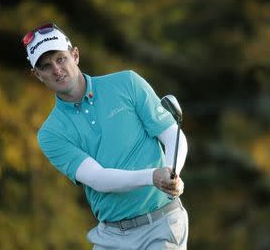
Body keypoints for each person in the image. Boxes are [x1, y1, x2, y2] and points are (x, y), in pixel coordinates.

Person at [22, 23, 189, 249]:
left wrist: (171, 173)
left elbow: (171, 133)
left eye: (60, 59)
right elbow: (98, 178)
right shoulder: (51, 133)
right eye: (45, 66)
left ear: (75, 55)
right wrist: (153, 176)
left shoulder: (127, 83)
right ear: (37, 75)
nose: (56, 69)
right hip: (111, 236)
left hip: (161, 224)